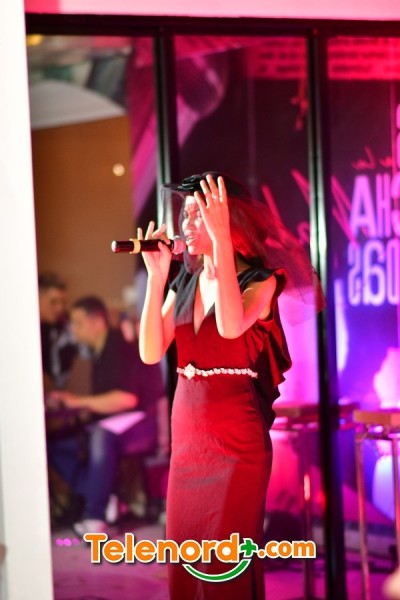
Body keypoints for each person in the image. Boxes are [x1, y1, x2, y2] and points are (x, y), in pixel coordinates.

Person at [138, 172, 302, 600]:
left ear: (226, 219)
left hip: (234, 439)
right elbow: (151, 352)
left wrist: (222, 246)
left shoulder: (261, 281)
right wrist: (156, 278)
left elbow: (230, 328)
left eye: (199, 214)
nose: (187, 224)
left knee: (223, 564)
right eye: (186, 215)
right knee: (186, 555)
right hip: (189, 435)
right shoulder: (183, 281)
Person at [48, 296, 166, 535]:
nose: (74, 329)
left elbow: (126, 400)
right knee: (56, 444)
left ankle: (95, 516)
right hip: (113, 424)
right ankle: (104, 494)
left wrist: (78, 401)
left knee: (101, 435)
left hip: (143, 424)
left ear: (96, 321)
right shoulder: (98, 354)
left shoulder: (120, 346)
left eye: (78, 323)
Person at [38, 272, 77, 392]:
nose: (60, 308)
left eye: (63, 302)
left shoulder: (67, 324)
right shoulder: (27, 332)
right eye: (53, 302)